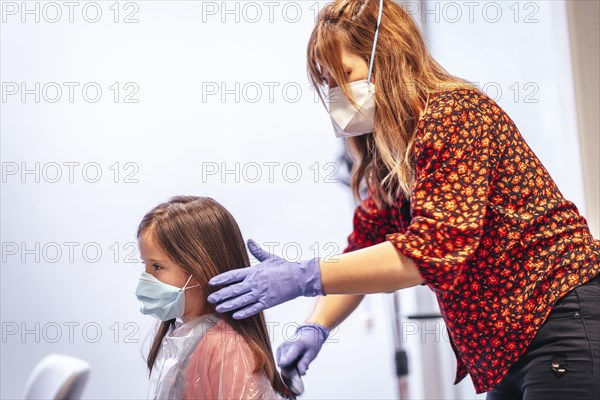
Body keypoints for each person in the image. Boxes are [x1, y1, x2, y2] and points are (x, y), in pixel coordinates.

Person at [206, 0, 600, 399]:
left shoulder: (455, 115)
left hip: (558, 316)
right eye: (327, 83)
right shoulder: (390, 157)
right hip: (505, 348)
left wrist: (305, 276)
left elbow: (431, 251)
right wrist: (315, 326)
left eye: (344, 74)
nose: (336, 94)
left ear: (386, 56)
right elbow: (365, 252)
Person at [134, 196, 293, 399]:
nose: (146, 279)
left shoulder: (228, 349)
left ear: (199, 269)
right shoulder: (181, 335)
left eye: (157, 267)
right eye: (144, 265)